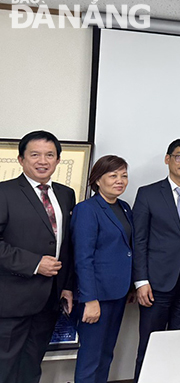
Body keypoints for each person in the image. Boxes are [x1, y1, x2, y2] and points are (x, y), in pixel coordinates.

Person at [132, 138, 180, 380]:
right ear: (168, 159)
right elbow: (139, 240)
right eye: (179, 156)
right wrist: (140, 281)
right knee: (150, 345)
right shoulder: (147, 193)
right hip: (156, 283)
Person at [0, 130, 76, 383]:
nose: (42, 161)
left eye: (49, 155)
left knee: (32, 365)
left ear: (57, 160)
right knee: (5, 366)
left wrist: (66, 286)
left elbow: (65, 244)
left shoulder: (66, 194)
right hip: (11, 299)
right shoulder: (4, 192)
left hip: (50, 299)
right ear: (21, 159)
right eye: (35, 155)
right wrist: (34, 264)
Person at [71, 155, 133, 383]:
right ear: (97, 180)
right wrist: (90, 300)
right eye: (113, 175)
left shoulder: (124, 207)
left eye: (124, 175)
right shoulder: (87, 209)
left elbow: (126, 249)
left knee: (106, 354)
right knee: (91, 357)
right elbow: (83, 258)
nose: (120, 181)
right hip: (96, 296)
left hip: (118, 293)